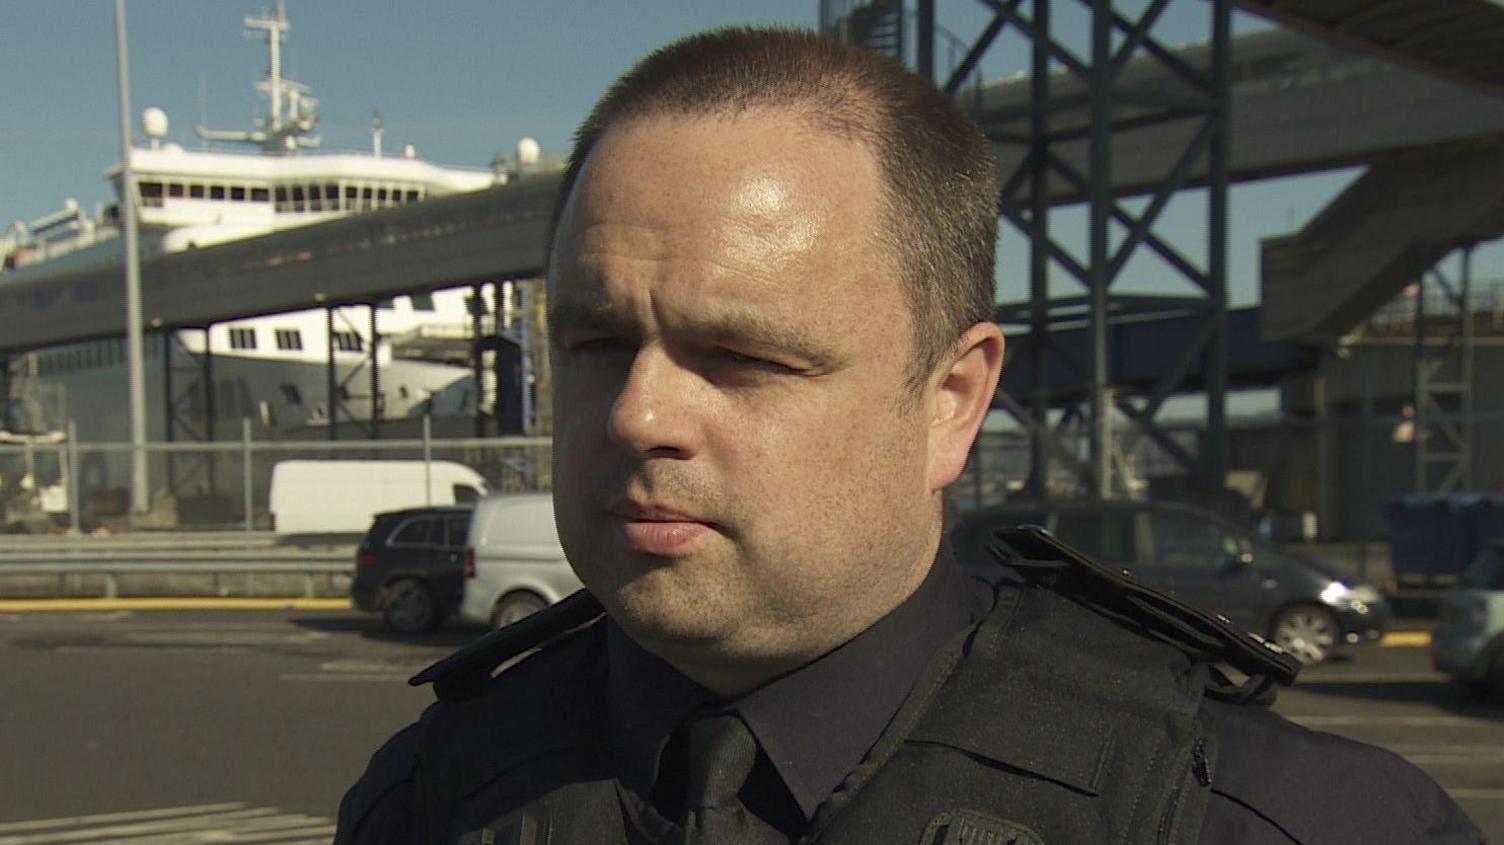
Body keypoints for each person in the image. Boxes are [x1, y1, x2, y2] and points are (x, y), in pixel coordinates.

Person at [335, 27, 1481, 845]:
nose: (640, 411)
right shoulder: (431, 795)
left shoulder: (1268, 816)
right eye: (594, 342)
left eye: (743, 355)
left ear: (951, 400)